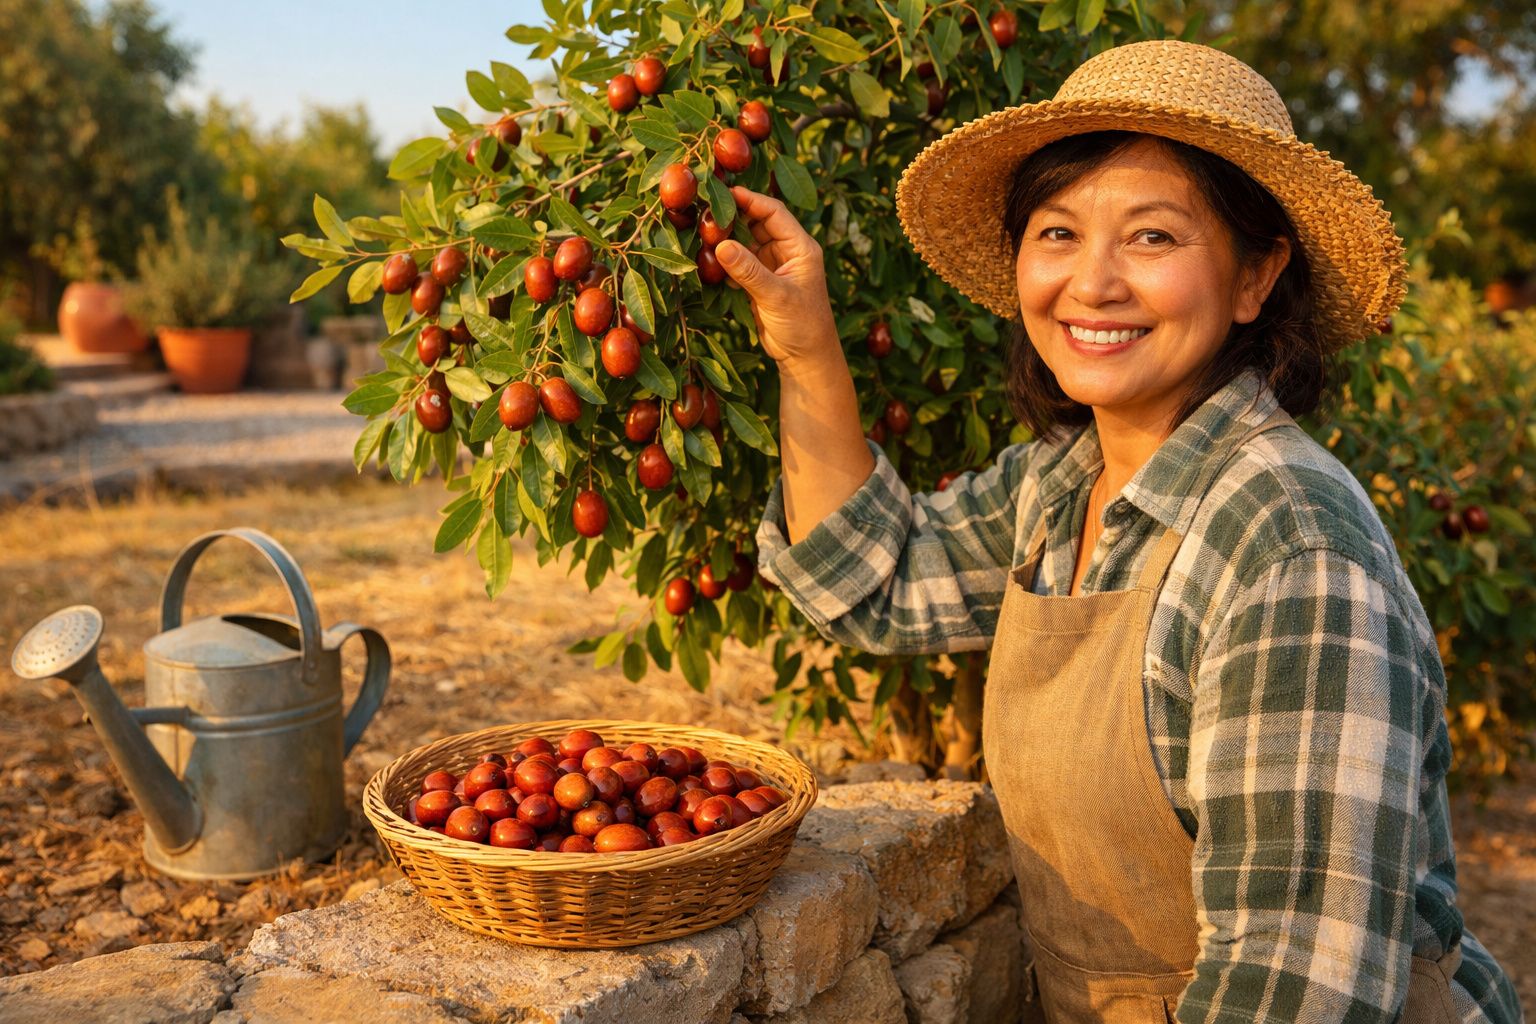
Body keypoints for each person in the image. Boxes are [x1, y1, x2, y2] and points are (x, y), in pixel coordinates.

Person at [711, 39, 1522, 1024]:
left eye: (1151, 238)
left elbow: (1290, 991)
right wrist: (804, 342)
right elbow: (874, 578)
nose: (1092, 283)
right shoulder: (1066, 484)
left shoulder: (1291, 554)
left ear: (1256, 278)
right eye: (1058, 232)